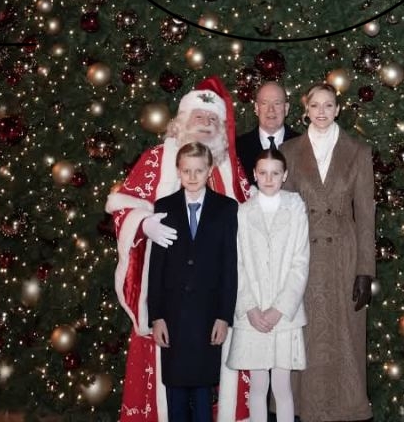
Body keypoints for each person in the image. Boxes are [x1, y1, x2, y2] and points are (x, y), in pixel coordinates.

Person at [106, 77, 251, 422]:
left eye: (213, 119)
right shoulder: (156, 159)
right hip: (169, 303)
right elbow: (122, 206)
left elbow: (246, 230)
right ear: (183, 120)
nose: (206, 123)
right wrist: (144, 224)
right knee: (170, 388)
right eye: (199, 116)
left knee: (206, 382)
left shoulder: (230, 168)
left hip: (213, 303)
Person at [281, 84, 375, 422]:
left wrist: (365, 270)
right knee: (304, 335)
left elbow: (365, 214)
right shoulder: (289, 150)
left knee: (344, 335)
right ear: (305, 110)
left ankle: (346, 409)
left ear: (338, 109)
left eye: (329, 105)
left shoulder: (358, 151)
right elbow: (282, 211)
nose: (321, 112)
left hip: (343, 258)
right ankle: (303, 409)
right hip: (302, 255)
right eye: (315, 105)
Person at [149, 142, 239, 422]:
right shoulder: (164, 208)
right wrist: (157, 316)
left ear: (209, 170)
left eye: (198, 170)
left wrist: (224, 316)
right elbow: (156, 268)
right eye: (186, 170)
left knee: (202, 395)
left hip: (207, 316)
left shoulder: (226, 209)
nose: (192, 176)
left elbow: (230, 267)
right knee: (175, 394)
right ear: (178, 170)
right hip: (173, 317)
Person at [227, 148, 309, 422]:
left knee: (282, 387)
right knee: (258, 386)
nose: (269, 179)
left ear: (284, 175)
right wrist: (250, 307)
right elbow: (237, 264)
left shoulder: (295, 209)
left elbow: (300, 261)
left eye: (275, 173)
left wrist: (280, 308)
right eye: (263, 173)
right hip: (253, 315)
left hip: (284, 316)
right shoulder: (243, 212)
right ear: (254, 174)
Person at [236, 82, 300, 186]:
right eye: (264, 103)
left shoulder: (303, 145)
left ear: (286, 108)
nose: (271, 110)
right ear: (257, 108)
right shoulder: (238, 148)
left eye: (277, 103)